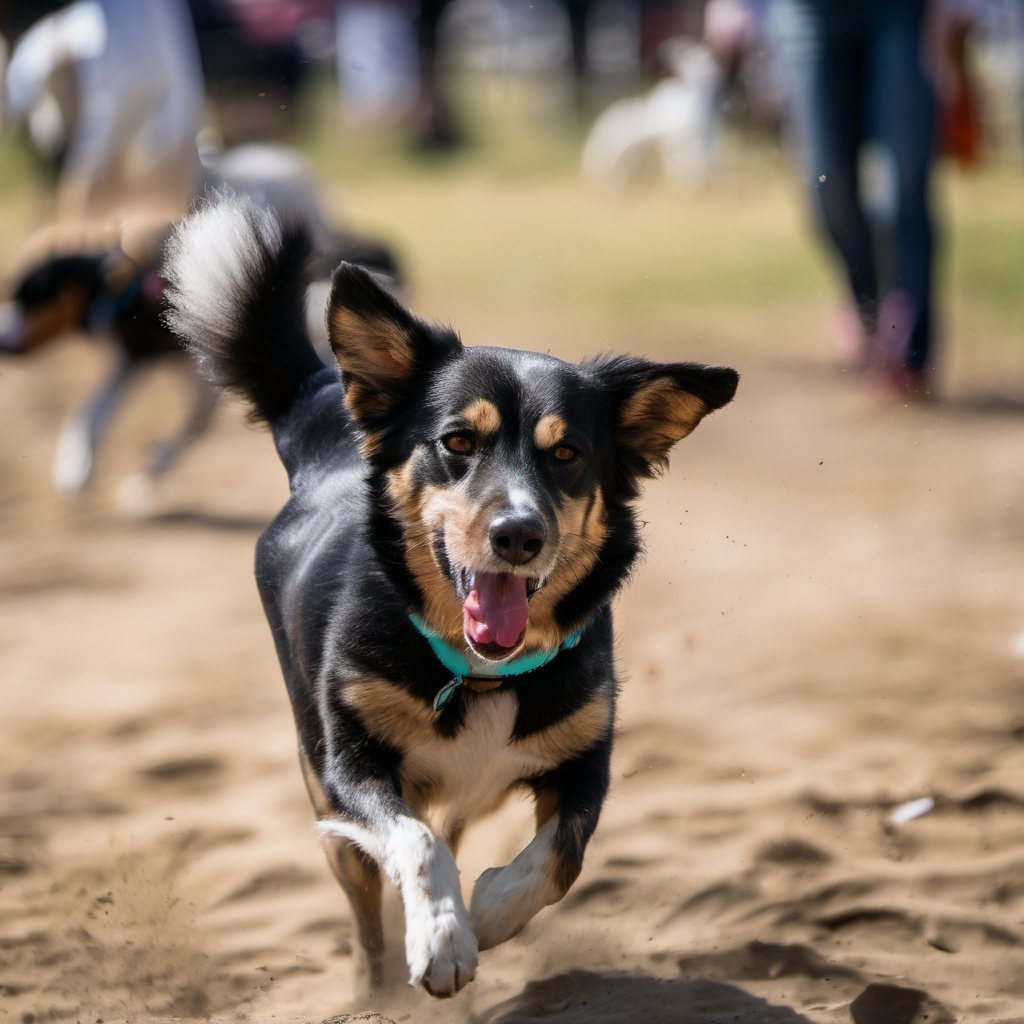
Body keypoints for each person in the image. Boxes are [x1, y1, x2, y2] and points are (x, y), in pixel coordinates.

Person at [769, 0, 939, 400]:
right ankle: (866, 302)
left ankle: (910, 350)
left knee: (903, 191)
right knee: (826, 184)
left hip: (900, 12)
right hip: (809, 13)